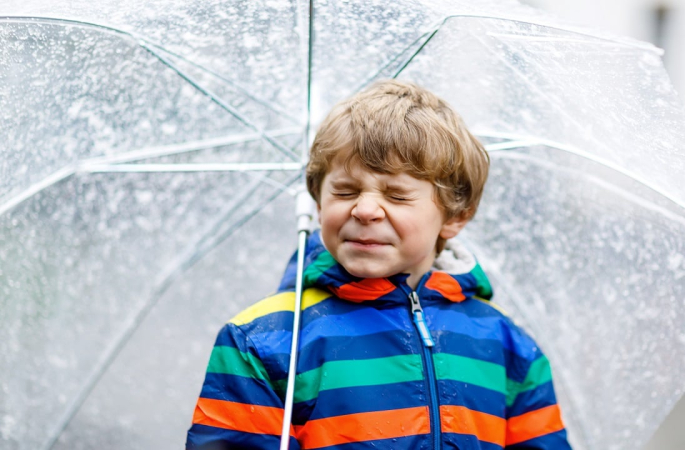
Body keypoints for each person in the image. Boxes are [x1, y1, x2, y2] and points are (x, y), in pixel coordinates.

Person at [186, 80, 572, 449]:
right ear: (318, 204)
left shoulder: (506, 346)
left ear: (455, 216)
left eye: (397, 195)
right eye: (345, 190)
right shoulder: (261, 341)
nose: (366, 209)